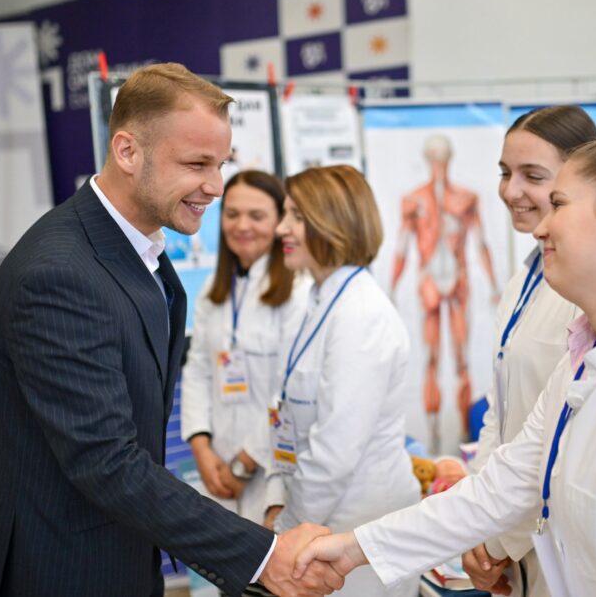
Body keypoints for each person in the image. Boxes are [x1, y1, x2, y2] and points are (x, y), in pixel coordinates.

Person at [295, 132, 596, 597]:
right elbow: (503, 486)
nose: (543, 226)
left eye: (559, 203)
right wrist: (353, 548)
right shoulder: (587, 359)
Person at [0, 63, 341, 597]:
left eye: (221, 164)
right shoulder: (57, 275)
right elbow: (107, 460)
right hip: (61, 567)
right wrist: (265, 556)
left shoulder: (139, 253)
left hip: (121, 549)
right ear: (127, 152)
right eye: (196, 164)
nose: (215, 187)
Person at [464, 106, 596, 596]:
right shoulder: (523, 277)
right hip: (509, 530)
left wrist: (500, 540)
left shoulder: (590, 292)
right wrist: (478, 525)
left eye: (532, 176)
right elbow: (500, 418)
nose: (510, 191)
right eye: (505, 173)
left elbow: (564, 444)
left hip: (556, 540)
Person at [266, 165, 421, 596]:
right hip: (323, 519)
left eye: (295, 215)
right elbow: (290, 416)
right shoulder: (318, 299)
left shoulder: (361, 315)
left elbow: (334, 450)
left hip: (361, 526)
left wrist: (285, 531)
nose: (281, 228)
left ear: (330, 221)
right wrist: (280, 499)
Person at [181, 170, 309, 524]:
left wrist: (245, 463)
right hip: (218, 471)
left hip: (272, 472)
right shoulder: (213, 289)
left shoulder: (298, 292)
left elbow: (288, 390)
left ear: (280, 221)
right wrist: (201, 447)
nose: (242, 226)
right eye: (232, 214)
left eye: (257, 216)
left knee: (271, 574)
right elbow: (198, 371)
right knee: (227, 574)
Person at [390, 134, 500, 449]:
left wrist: (493, 285)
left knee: (462, 360)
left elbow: (480, 242)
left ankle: (465, 433)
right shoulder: (414, 200)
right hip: (428, 280)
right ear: (427, 159)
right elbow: (401, 246)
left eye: (442, 157)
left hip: (458, 279)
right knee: (432, 359)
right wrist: (391, 288)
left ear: (450, 158)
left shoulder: (466, 198)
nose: (438, 164)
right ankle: (436, 434)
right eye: (434, 157)